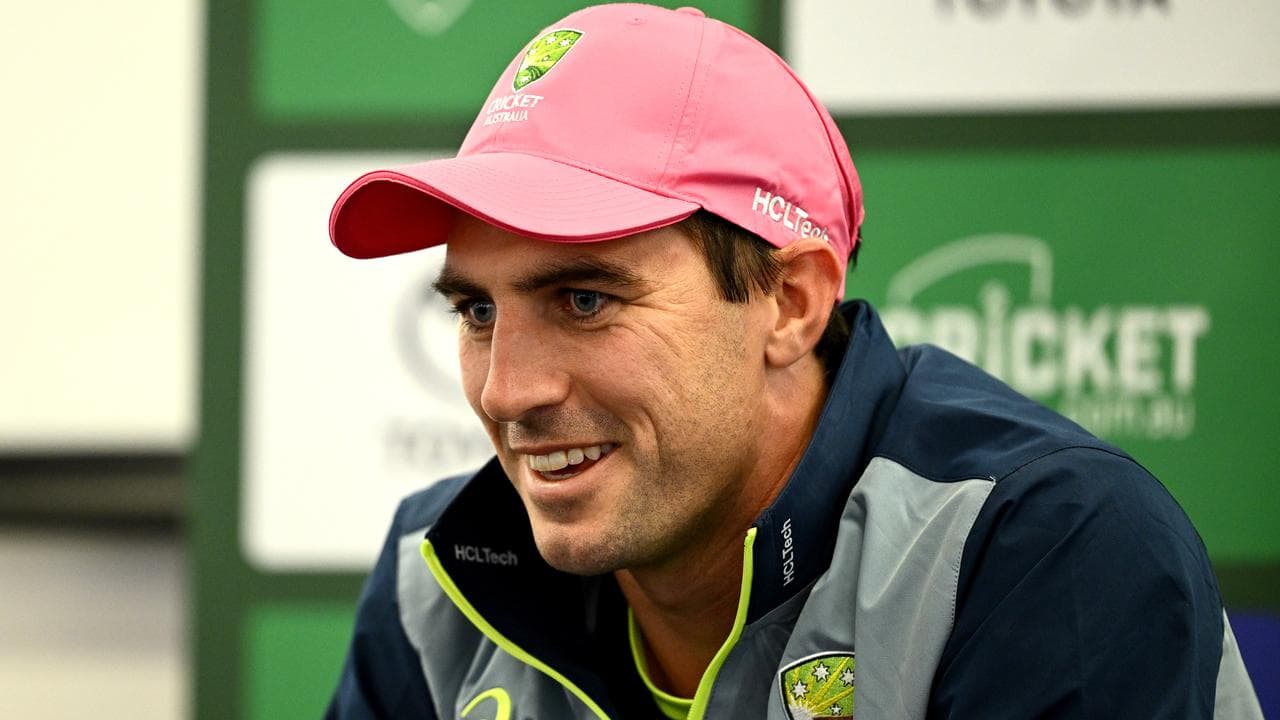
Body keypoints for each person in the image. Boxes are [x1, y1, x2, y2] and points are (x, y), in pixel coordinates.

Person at [323, 4, 1262, 719]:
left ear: (792, 302)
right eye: (478, 310)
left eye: (585, 301)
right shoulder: (432, 579)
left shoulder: (1044, 548)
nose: (508, 390)